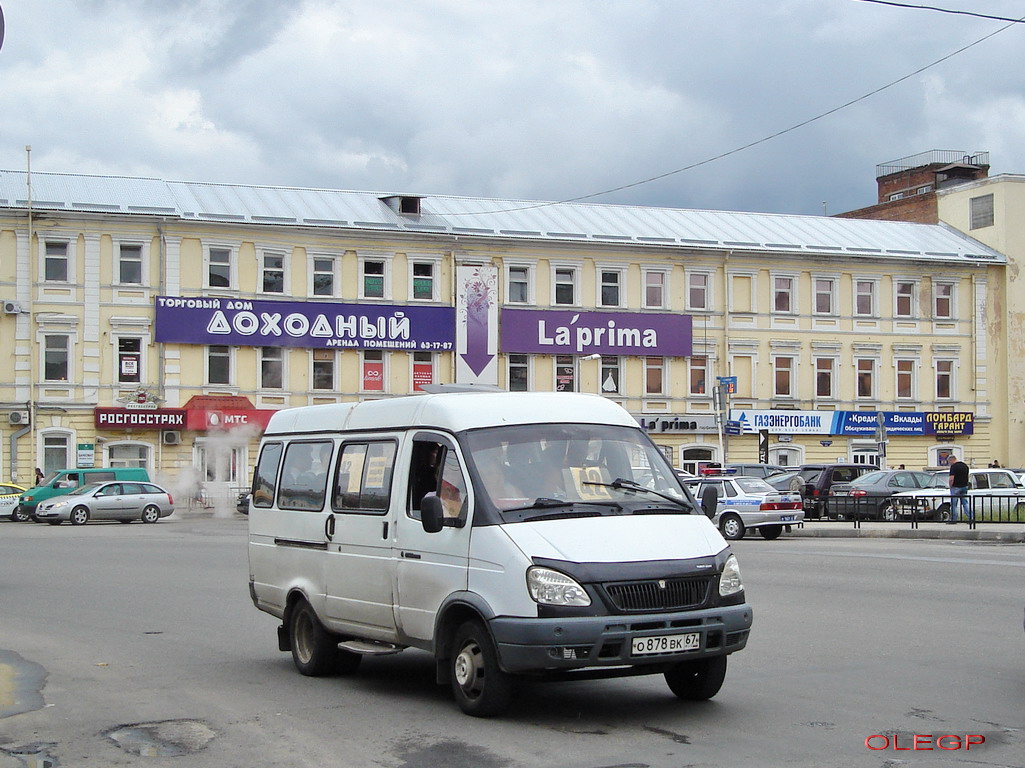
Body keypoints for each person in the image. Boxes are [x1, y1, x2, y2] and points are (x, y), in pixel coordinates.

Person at [947, 458, 971, 524]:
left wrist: (950, 486)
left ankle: (953, 519)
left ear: (951, 460)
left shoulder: (953, 467)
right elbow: (967, 476)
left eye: (949, 462)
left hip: (955, 487)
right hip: (964, 486)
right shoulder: (965, 466)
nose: (949, 463)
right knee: (965, 503)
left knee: (954, 504)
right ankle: (971, 518)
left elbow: (951, 478)